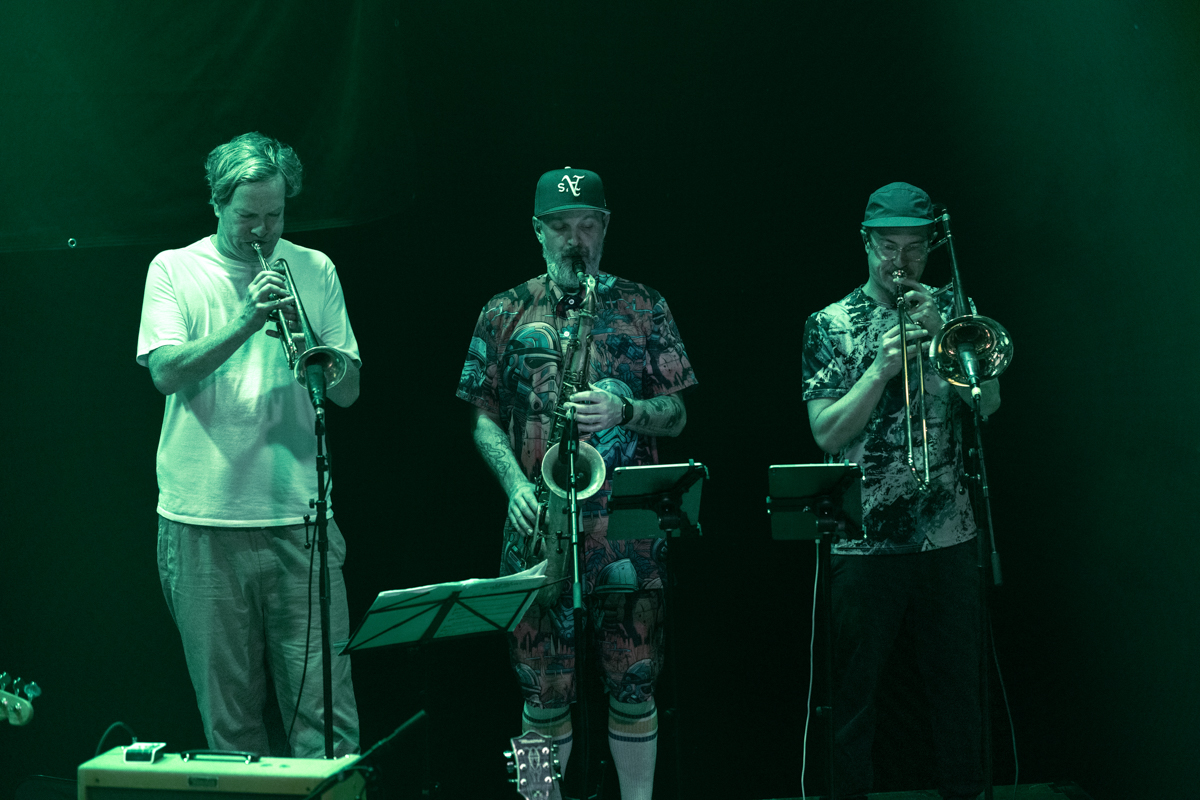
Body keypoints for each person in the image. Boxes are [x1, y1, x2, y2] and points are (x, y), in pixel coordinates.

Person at [456, 167, 696, 800]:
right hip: (538, 527)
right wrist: (515, 486)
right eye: (561, 226)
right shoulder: (503, 309)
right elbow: (481, 417)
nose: (575, 239)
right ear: (538, 231)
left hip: (626, 533)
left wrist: (626, 410)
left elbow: (677, 413)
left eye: (587, 225)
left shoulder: (644, 304)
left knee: (635, 684)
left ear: (605, 227)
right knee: (541, 693)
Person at [137, 132, 361, 758]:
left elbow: (349, 391)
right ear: (216, 203)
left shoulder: (315, 268)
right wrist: (245, 321)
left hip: (301, 521)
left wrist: (314, 345)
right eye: (247, 216)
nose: (262, 230)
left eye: (275, 215)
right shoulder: (174, 268)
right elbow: (165, 373)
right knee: (231, 727)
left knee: (327, 720)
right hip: (203, 523)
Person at [801, 182, 1001, 800]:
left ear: (930, 248)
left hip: (949, 536)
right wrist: (878, 371)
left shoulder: (956, 311)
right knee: (853, 700)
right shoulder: (831, 323)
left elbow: (988, 404)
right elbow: (826, 433)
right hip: (862, 541)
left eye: (914, 247)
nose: (900, 261)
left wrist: (945, 336)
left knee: (958, 693)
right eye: (888, 245)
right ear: (865, 243)